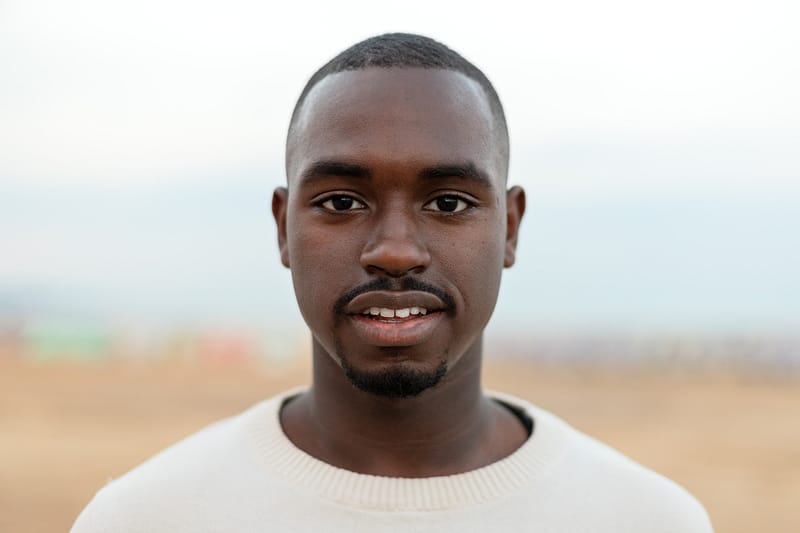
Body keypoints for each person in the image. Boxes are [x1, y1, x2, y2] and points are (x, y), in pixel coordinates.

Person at [72, 33, 713, 532]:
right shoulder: (142, 520)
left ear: (510, 228)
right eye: (343, 203)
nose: (396, 252)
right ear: (283, 230)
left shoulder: (650, 522)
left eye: (451, 203)